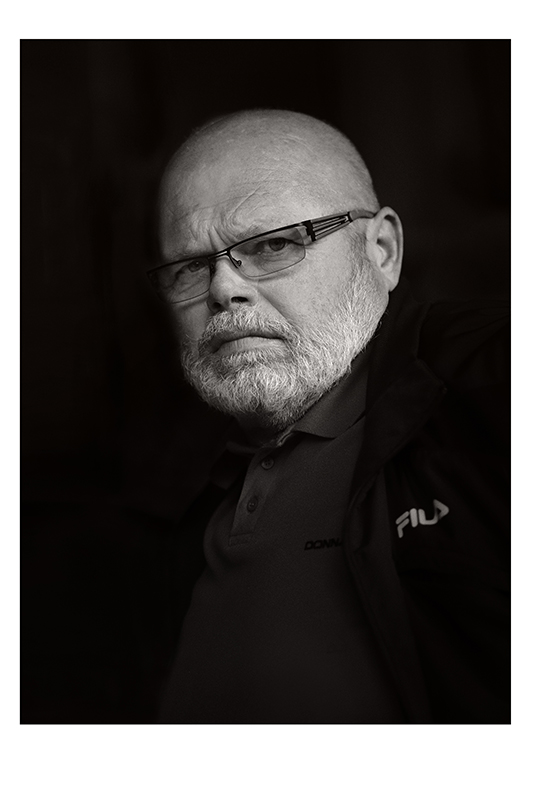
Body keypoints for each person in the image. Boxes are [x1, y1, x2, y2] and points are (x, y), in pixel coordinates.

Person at [148, 109, 509, 724]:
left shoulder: (495, 389)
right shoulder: (180, 497)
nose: (222, 290)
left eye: (272, 245)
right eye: (190, 267)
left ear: (382, 251)